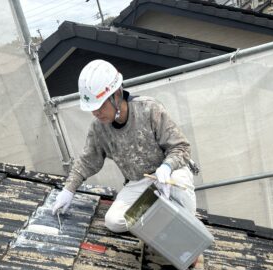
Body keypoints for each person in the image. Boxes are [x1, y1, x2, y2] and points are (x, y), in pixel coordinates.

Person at [52, 59, 196, 232]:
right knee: (115, 222)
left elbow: (181, 147)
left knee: (186, 218)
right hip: (139, 182)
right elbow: (87, 162)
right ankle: (157, 211)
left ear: (117, 95)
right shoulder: (99, 128)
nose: (96, 112)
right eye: (92, 108)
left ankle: (166, 214)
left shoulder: (149, 109)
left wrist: (167, 166)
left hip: (170, 175)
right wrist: (68, 190)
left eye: (100, 105)